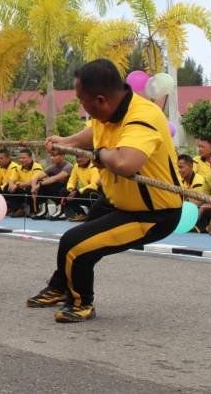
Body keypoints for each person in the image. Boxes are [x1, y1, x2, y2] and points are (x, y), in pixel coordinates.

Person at [28, 59, 182, 323]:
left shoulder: (142, 117)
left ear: (100, 100)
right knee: (79, 238)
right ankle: (60, 286)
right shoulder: (108, 112)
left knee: (76, 246)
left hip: (152, 213)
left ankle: (81, 303)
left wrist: (100, 154)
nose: (80, 104)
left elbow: (124, 163)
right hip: (117, 200)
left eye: (81, 99)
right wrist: (66, 142)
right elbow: (93, 132)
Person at [30, 150, 72, 220]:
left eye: (55, 155)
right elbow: (35, 177)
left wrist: (39, 185)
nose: (52, 158)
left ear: (62, 156)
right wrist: (33, 188)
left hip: (68, 192)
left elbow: (55, 179)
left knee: (44, 184)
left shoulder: (68, 166)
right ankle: (43, 211)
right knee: (41, 185)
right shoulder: (53, 167)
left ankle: (61, 211)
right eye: (51, 156)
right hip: (58, 191)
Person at [63, 154, 101, 222]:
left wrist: (77, 191)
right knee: (64, 191)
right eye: (77, 157)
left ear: (88, 157)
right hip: (83, 191)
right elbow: (71, 181)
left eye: (82, 156)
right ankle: (81, 213)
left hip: (97, 193)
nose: (79, 159)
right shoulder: (76, 166)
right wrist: (71, 189)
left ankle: (95, 214)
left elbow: (95, 185)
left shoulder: (94, 166)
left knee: (89, 192)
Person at [6, 149, 43, 217]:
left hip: (32, 188)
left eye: (23, 158)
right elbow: (11, 178)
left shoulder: (37, 167)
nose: (21, 160)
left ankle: (34, 210)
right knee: (7, 187)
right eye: (20, 158)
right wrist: (11, 185)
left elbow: (34, 181)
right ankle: (18, 209)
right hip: (22, 188)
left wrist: (17, 185)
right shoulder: (18, 168)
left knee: (33, 188)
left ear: (30, 158)